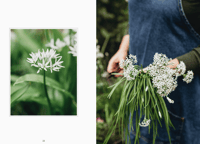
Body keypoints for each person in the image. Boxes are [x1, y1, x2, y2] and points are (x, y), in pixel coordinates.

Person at [107, 0, 200, 143]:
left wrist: (172, 67)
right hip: (137, 97)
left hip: (178, 103)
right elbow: (140, 16)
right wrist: (123, 49)